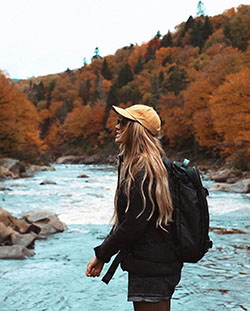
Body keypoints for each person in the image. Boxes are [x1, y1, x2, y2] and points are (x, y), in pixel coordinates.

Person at [86, 104, 183, 311]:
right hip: (153, 265)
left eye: (123, 122)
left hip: (153, 268)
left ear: (137, 129)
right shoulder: (144, 165)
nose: (117, 126)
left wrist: (102, 255)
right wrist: (103, 253)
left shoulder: (145, 170)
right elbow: (130, 219)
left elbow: (133, 224)